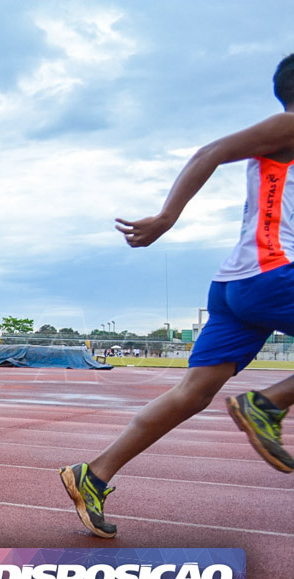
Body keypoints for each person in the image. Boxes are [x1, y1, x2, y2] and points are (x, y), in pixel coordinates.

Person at [60, 53, 294, 539]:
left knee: (193, 393)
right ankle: (269, 405)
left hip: (236, 285)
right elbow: (209, 152)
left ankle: (95, 474)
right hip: (269, 274)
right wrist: (167, 217)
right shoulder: (287, 125)